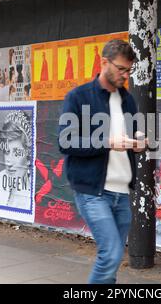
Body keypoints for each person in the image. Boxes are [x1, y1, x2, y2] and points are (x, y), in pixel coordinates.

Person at [58, 39, 146, 284]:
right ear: (104, 62)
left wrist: (140, 141)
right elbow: (66, 142)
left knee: (113, 259)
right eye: (121, 69)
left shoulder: (128, 100)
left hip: (122, 193)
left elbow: (133, 134)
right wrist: (107, 142)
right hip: (93, 192)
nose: (125, 75)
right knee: (111, 254)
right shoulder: (78, 97)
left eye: (129, 70)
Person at [0, 110, 33, 210]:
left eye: (16, 153)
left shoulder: (35, 197)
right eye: (6, 152)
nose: (8, 162)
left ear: (28, 157)